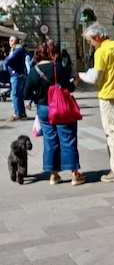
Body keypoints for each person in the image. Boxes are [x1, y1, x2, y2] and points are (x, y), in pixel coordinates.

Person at [78, 22, 114, 182]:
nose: (90, 44)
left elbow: (95, 78)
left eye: (90, 41)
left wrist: (81, 75)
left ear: (97, 37)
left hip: (109, 95)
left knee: (113, 132)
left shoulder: (101, 52)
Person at [23, 41, 84, 186]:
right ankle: (75, 175)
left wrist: (39, 98)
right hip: (60, 108)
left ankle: (53, 175)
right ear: (52, 53)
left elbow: (25, 94)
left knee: (50, 141)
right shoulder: (57, 67)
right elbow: (69, 88)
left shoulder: (33, 70)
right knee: (68, 139)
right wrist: (76, 80)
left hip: (43, 109)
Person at [4, 36, 28, 121]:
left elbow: (8, 61)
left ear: (15, 42)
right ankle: (22, 112)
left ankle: (17, 113)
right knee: (18, 95)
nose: (9, 42)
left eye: (11, 40)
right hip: (17, 75)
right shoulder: (15, 49)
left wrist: (6, 59)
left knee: (14, 95)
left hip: (16, 75)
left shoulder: (18, 50)